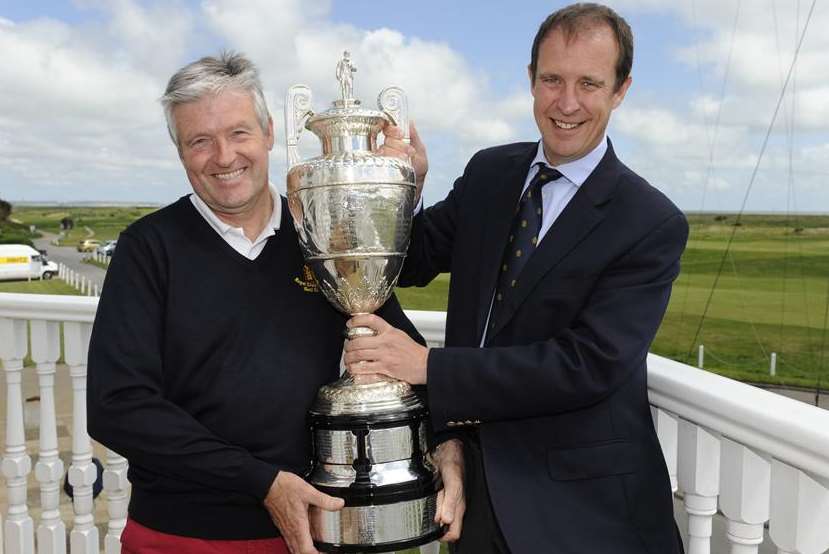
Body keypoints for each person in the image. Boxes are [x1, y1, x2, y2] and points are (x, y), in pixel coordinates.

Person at [86, 51, 464, 554]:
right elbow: (117, 406)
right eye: (200, 140)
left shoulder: (322, 235)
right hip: (181, 534)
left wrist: (449, 448)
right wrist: (263, 482)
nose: (223, 157)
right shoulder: (149, 248)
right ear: (180, 151)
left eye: (239, 133)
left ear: (268, 134)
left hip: (313, 533)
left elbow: (403, 353)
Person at [345, 4, 688, 553]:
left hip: (587, 517)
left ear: (620, 90)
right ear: (531, 80)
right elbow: (409, 262)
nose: (567, 102)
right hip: (476, 493)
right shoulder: (489, 174)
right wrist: (400, 188)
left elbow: (587, 366)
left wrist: (429, 367)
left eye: (589, 83)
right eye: (552, 79)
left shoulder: (649, 222)